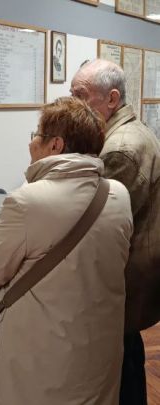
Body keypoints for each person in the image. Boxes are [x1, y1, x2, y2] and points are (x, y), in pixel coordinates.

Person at [0, 96, 133, 405]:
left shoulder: (27, 201)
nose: (31, 143)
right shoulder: (118, 193)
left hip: (44, 349)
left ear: (55, 145)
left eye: (36, 134)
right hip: (100, 342)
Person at [70, 59, 160, 405]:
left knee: (119, 365)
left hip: (125, 276)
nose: (74, 104)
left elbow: (99, 224)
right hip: (131, 270)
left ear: (111, 98)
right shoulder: (126, 133)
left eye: (81, 95)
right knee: (126, 354)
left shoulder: (120, 148)